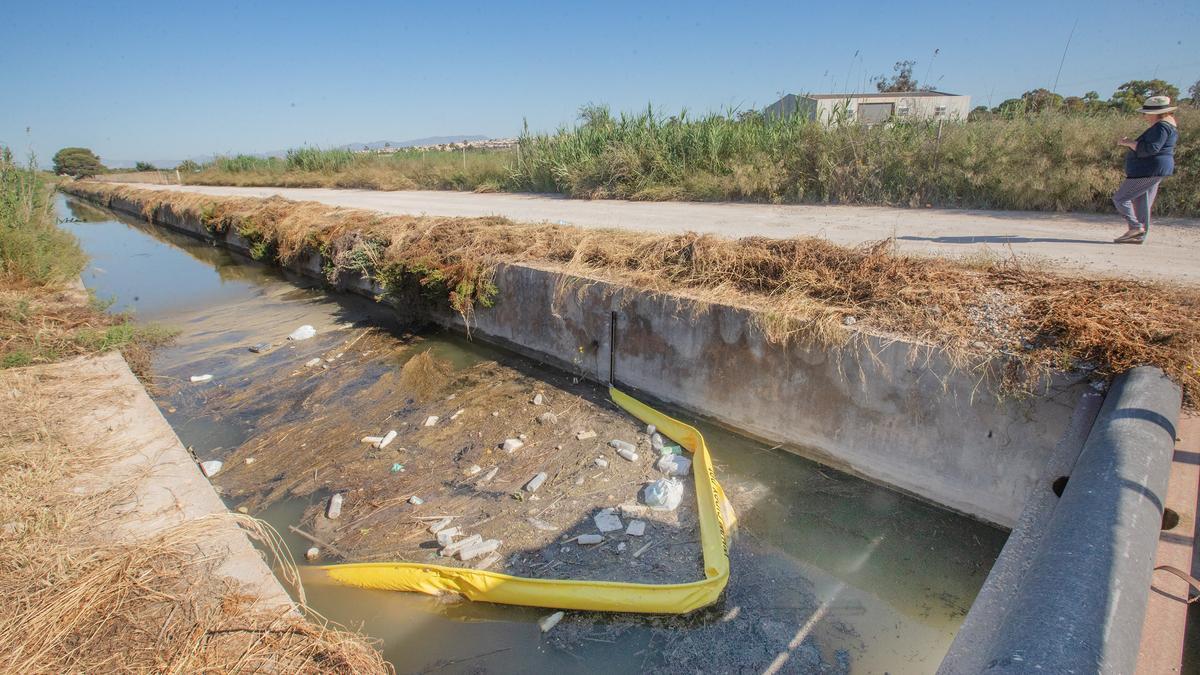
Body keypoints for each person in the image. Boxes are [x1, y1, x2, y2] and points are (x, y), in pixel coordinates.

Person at [1112, 96, 1179, 244]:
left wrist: (1128, 142)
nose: (1144, 116)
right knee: (1142, 200)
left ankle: (1136, 227)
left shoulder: (1161, 127)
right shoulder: (1168, 126)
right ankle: (1138, 234)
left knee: (1120, 198)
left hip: (1148, 170)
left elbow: (1151, 148)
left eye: (1146, 113)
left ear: (1157, 113)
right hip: (1153, 169)